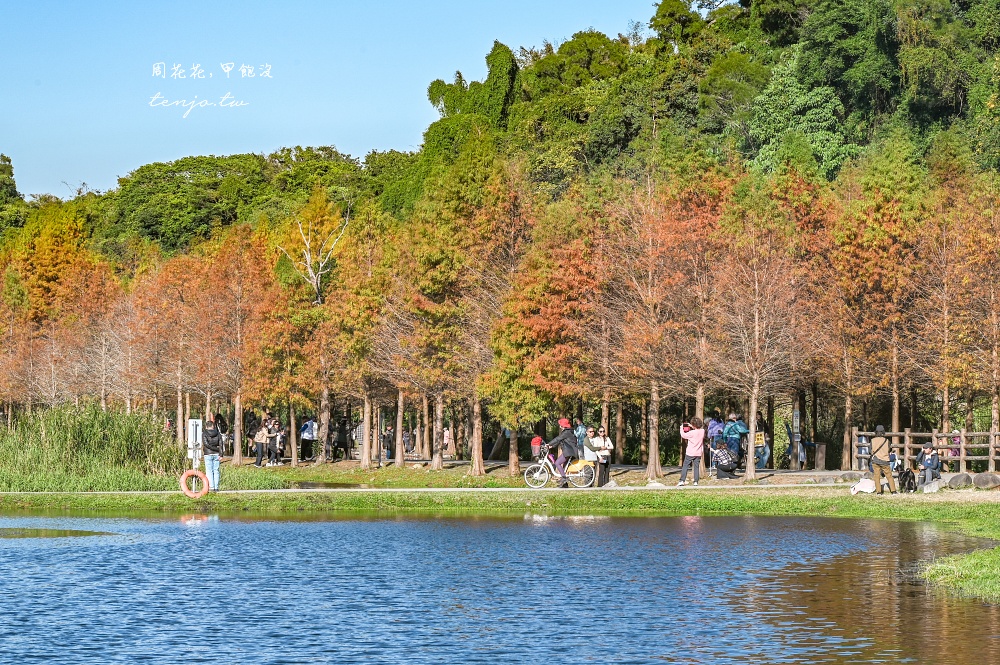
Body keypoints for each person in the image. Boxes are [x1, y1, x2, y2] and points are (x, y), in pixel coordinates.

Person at [550, 418, 579, 488]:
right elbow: (560, 441)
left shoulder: (566, 432)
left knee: (557, 463)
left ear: (563, 426)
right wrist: (551, 446)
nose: (560, 426)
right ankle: (565, 484)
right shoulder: (568, 432)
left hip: (569, 451)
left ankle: (564, 478)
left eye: (560, 425)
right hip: (570, 451)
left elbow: (558, 438)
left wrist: (548, 444)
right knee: (564, 467)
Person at [869, 425, 896, 495]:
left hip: (875, 460)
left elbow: (870, 451)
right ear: (883, 432)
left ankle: (879, 492)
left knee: (877, 476)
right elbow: (889, 449)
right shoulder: (887, 441)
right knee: (889, 476)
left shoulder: (872, 440)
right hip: (885, 460)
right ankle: (893, 491)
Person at [679, 417, 706, 486]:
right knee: (696, 467)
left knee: (685, 466)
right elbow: (697, 429)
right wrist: (692, 426)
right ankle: (696, 481)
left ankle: (682, 480)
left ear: (693, 425)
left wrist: (681, 428)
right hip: (698, 453)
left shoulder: (691, 433)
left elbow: (683, 435)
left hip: (690, 452)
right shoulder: (702, 431)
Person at [202, 417, 222, 492]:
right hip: (217, 454)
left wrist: (214, 449)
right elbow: (221, 443)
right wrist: (220, 453)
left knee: (209, 470)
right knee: (216, 470)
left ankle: (211, 487)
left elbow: (206, 444)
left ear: (206, 426)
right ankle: (216, 487)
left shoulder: (204, 433)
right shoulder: (218, 433)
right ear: (213, 426)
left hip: (208, 454)